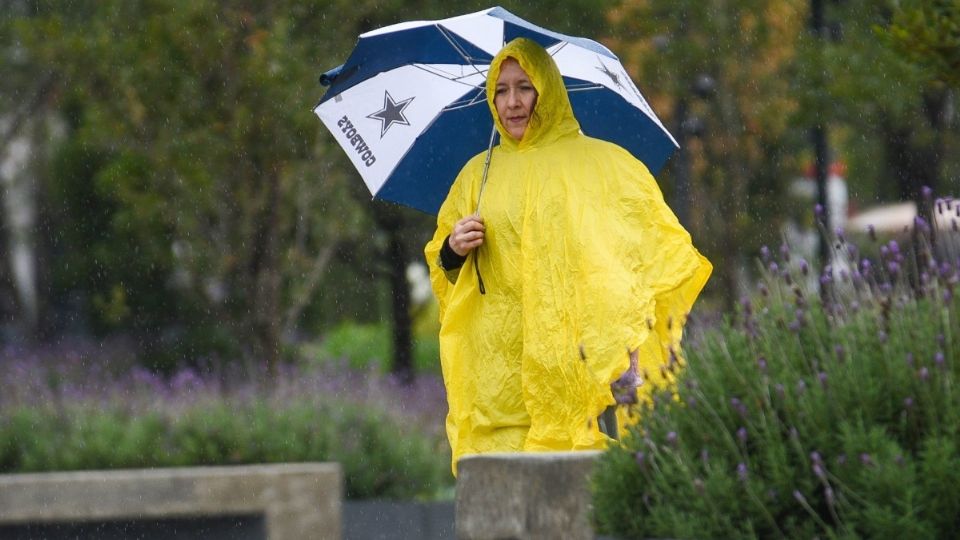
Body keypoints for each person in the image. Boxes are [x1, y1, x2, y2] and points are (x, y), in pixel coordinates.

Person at [424, 37, 712, 474]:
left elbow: (657, 255)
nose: (513, 102)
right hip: (496, 382)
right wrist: (452, 249)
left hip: (576, 377)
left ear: (549, 89)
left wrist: (628, 337)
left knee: (572, 500)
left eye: (525, 86)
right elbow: (444, 271)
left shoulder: (606, 166)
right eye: (500, 90)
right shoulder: (477, 175)